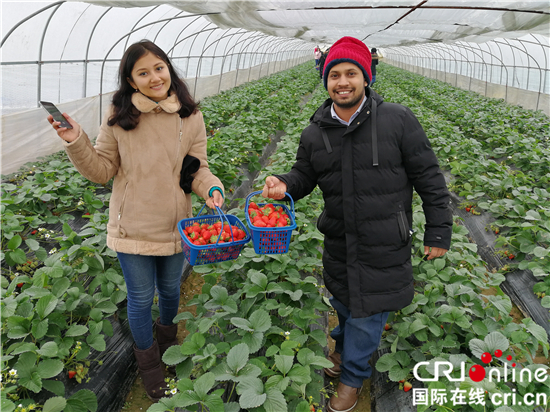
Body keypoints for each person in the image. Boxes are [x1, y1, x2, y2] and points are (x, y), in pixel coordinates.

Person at [261, 36, 451, 412]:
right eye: (334, 74)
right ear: (325, 80)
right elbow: (304, 174)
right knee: (345, 303)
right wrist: (284, 185)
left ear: (366, 77)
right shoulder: (315, 131)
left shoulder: (397, 119)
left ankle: (352, 378)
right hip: (338, 239)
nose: (342, 82)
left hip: (384, 242)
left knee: (368, 315)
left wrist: (438, 231)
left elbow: (429, 176)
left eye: (351, 73)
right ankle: (343, 347)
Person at [47, 40, 224, 402]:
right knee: (141, 298)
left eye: (158, 68)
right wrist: (76, 140)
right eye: (142, 73)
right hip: (133, 227)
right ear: (130, 80)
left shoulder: (189, 114)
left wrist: (211, 189)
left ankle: (167, 341)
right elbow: (102, 170)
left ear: (168, 68)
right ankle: (149, 365)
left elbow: (196, 168)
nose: (154, 77)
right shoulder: (120, 115)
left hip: (175, 224)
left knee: (172, 290)